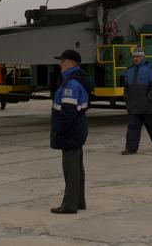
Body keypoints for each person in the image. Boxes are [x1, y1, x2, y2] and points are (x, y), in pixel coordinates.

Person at [50, 49, 91, 214]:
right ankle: (79, 201)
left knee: (71, 170)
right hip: (77, 130)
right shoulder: (76, 80)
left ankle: (69, 205)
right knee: (77, 169)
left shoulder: (71, 84)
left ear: (71, 64)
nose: (60, 64)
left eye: (63, 61)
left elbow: (68, 112)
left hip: (70, 132)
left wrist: (59, 130)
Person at [121, 48, 152, 154]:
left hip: (147, 105)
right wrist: (127, 98)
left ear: (143, 57)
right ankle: (131, 148)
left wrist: (149, 99)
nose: (136, 58)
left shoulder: (150, 69)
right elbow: (126, 87)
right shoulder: (129, 70)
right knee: (132, 127)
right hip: (134, 105)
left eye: (138, 56)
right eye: (134, 56)